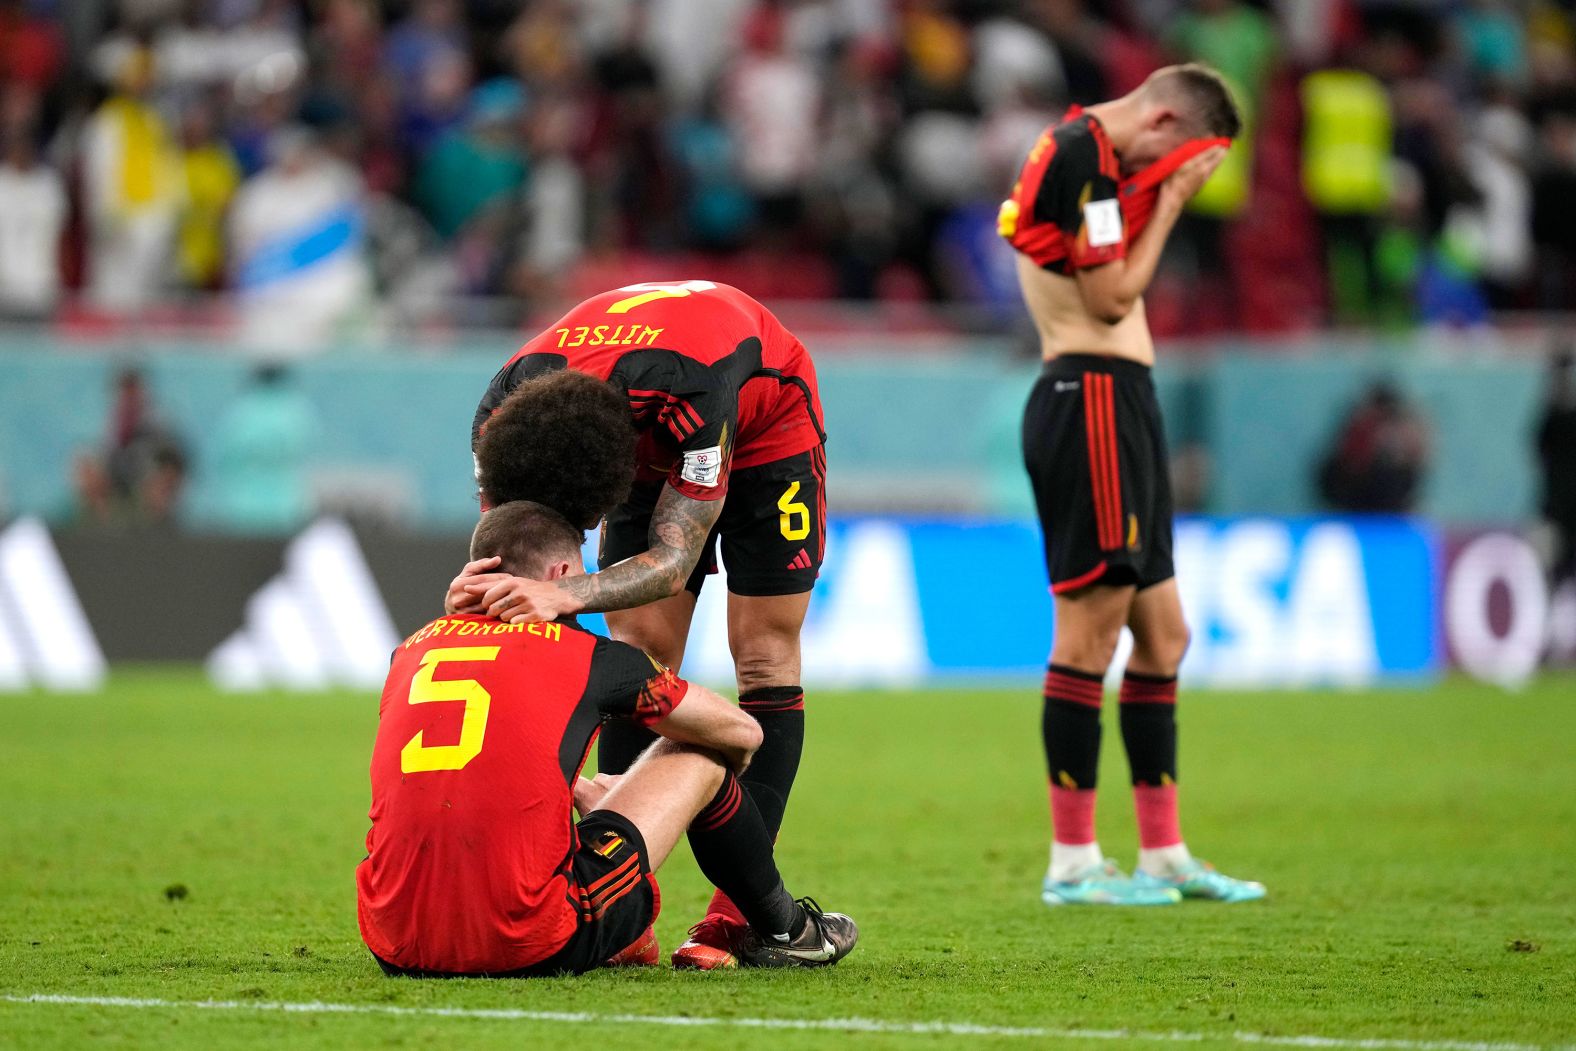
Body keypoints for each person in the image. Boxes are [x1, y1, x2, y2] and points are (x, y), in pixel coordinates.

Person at [448, 280, 825, 968]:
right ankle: (624, 915)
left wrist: (566, 597)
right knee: (640, 646)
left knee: (764, 652)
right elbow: (511, 539)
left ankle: (737, 920)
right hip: (633, 422)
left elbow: (675, 556)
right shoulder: (501, 414)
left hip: (769, 421)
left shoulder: (692, 395)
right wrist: (486, 586)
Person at [358, 501, 857, 976]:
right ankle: (788, 931)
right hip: (527, 941)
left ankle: (633, 933)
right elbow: (743, 732)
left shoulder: (410, 651)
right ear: (559, 576)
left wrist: (578, 793)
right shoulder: (587, 656)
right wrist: (624, 802)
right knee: (701, 751)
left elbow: (477, 755)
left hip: (393, 940)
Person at [1000, 64, 1265, 906]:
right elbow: (1112, 298)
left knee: (1166, 634)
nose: (1171, 179)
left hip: (1123, 401)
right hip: (1091, 399)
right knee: (1091, 632)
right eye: (1177, 161)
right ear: (1159, 123)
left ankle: (1163, 852)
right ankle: (1073, 862)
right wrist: (1175, 205)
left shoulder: (1103, 162)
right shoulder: (1081, 155)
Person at [1535, 350, 1576, 586]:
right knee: (1552, 577)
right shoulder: (1552, 418)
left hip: (1558, 508)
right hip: (1555, 509)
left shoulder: (1553, 417)